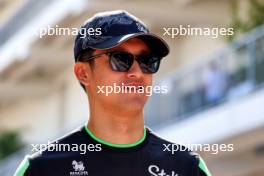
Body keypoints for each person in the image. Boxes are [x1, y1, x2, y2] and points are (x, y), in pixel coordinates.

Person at [15, 10, 211, 176]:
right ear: (83, 73)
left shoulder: (187, 167)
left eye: (147, 61)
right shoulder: (41, 169)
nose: (136, 73)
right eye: (120, 59)